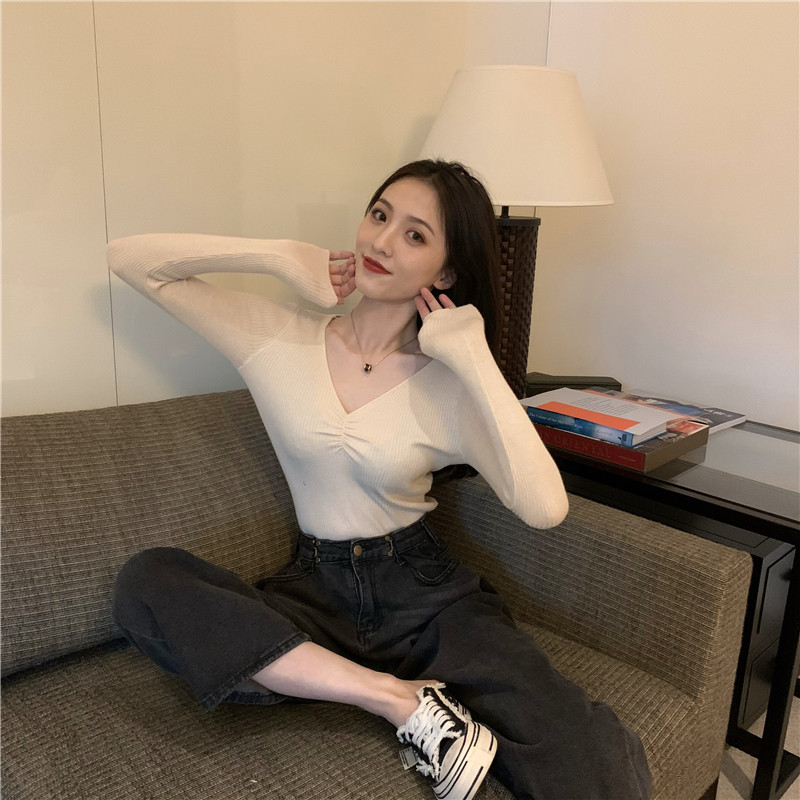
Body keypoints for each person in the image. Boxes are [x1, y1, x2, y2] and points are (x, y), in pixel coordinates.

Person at [109, 159, 651, 800]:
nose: (383, 241)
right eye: (379, 215)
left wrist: (473, 354)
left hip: (425, 599)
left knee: (589, 759)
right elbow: (129, 259)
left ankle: (362, 691)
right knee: (149, 581)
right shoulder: (276, 338)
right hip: (314, 594)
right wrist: (278, 256)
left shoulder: (450, 385)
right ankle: (395, 700)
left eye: (415, 235)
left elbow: (545, 508)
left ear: (445, 273)